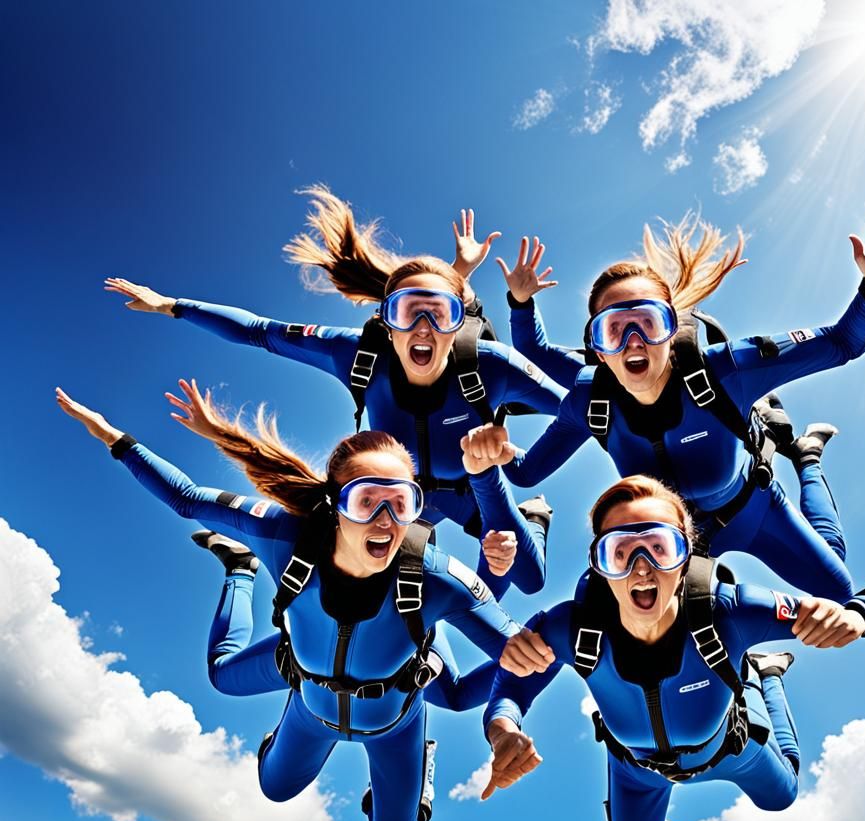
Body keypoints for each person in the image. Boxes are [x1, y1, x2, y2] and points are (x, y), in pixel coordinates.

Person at [55, 384, 552, 821]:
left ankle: (417, 751)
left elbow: (526, 654)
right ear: (334, 506)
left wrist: (505, 728)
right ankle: (239, 570)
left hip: (396, 723)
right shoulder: (285, 537)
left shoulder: (438, 576)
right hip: (306, 695)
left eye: (401, 504)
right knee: (266, 770)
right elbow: (187, 499)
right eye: (366, 501)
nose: (385, 520)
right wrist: (112, 437)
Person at [103, 193, 565, 597]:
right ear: (386, 321)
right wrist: (170, 305)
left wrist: (514, 468)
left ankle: (533, 519)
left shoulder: (490, 364)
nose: (423, 328)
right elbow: (259, 332)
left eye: (440, 313)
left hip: (471, 487)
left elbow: (585, 410)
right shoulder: (358, 355)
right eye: (407, 313)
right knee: (373, 583)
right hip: (395, 496)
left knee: (524, 578)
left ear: (458, 320)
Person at [482, 475, 865, 821]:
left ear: (686, 558)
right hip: (638, 771)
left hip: (732, 747)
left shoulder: (731, 612)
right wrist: (503, 732)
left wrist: (862, 614)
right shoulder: (570, 628)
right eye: (620, 552)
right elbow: (510, 689)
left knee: (782, 796)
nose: (642, 568)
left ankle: (767, 679)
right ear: (600, 565)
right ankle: (660, 820)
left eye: (659, 548)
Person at [465, 211, 865, 601]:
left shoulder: (725, 371)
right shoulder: (592, 397)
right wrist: (498, 454)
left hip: (757, 509)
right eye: (614, 330)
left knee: (839, 594)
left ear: (672, 328)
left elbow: (842, 342)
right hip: (674, 542)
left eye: (648, 322)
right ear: (597, 347)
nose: (633, 341)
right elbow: (525, 471)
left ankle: (806, 459)